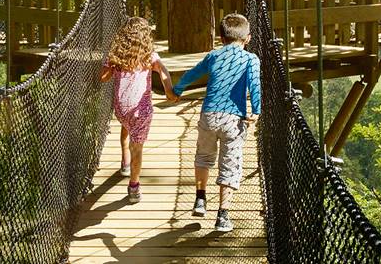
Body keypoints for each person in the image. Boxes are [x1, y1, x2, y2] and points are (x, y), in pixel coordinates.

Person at [170, 13, 261, 233]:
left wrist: (177, 89)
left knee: (203, 156)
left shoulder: (213, 56)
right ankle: (223, 215)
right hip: (233, 119)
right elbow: (254, 85)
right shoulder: (250, 59)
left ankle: (200, 200)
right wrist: (257, 111)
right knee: (230, 164)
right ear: (247, 38)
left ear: (221, 38)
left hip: (209, 115)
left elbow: (192, 74)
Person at [100, 17, 176, 203]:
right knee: (138, 147)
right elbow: (163, 71)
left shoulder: (115, 55)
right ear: (145, 36)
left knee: (127, 126)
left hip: (121, 108)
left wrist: (108, 65)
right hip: (140, 110)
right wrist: (169, 92)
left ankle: (125, 161)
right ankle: (134, 186)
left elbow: (103, 78)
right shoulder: (150, 55)